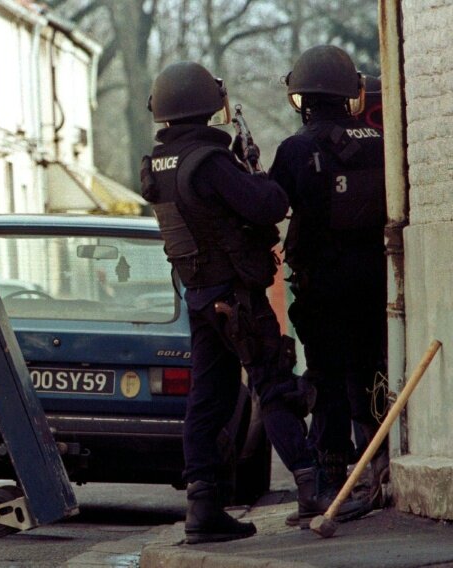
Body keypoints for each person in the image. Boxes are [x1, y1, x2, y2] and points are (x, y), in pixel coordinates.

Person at [140, 61, 370, 542]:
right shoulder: (209, 160)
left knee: (209, 398)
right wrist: (253, 171)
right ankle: (311, 487)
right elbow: (270, 205)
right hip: (235, 296)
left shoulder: (160, 162)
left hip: (200, 295)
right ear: (206, 104)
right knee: (274, 385)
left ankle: (203, 507)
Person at [269, 46, 389, 513]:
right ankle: (379, 469)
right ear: (348, 93)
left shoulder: (297, 149)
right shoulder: (381, 140)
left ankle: (333, 478)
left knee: (327, 378)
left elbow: (270, 207)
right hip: (376, 280)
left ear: (303, 97)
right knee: (370, 372)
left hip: (322, 285)